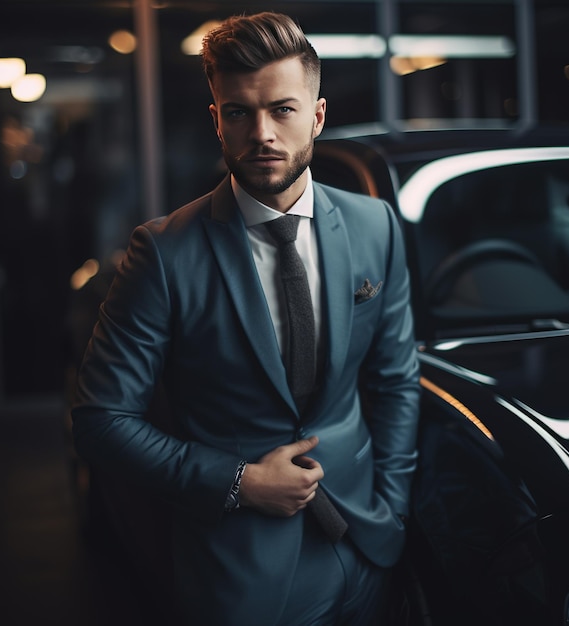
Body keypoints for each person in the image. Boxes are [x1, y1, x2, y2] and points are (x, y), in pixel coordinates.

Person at [72, 11, 420, 626]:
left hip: (366, 548)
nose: (261, 132)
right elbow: (101, 420)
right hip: (242, 573)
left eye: (282, 110)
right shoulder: (164, 252)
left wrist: (390, 508)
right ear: (217, 120)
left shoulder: (375, 226)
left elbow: (393, 381)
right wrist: (236, 482)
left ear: (316, 115)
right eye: (239, 112)